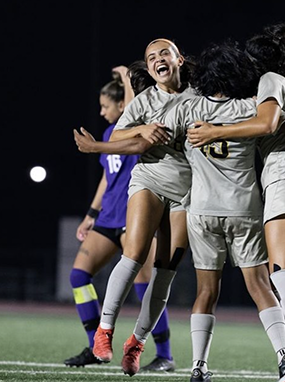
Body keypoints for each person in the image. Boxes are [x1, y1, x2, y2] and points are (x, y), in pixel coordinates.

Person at [187, 22, 285, 382]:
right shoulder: (282, 84)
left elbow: (266, 124)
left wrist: (215, 131)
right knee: (283, 272)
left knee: (282, 273)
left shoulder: (268, 79)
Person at [162, 40, 285, 382]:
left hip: (202, 211)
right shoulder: (249, 107)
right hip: (243, 208)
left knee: (206, 292)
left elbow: (155, 137)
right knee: (261, 286)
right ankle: (284, 356)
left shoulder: (186, 107)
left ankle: (198, 367)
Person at [91, 39, 197, 377]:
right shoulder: (146, 100)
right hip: (149, 179)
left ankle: (136, 342)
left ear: (179, 58)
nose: (157, 60)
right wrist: (142, 129)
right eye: (151, 57)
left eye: (163, 53)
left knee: (165, 273)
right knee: (134, 254)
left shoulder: (198, 95)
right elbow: (121, 136)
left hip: (188, 192)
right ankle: (104, 330)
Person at [67, 66, 176, 373]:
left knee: (145, 285)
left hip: (135, 215)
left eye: (106, 106)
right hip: (108, 217)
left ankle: (164, 355)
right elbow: (107, 176)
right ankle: (95, 345)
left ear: (121, 104)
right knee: (78, 276)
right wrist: (91, 214)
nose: (102, 112)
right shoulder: (109, 133)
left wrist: (128, 77)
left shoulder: (139, 126)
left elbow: (134, 110)